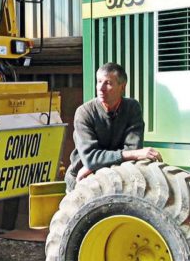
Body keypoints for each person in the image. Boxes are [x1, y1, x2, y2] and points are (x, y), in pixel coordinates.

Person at [65, 62, 162, 191]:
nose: (101, 88)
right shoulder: (84, 112)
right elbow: (91, 158)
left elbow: (133, 148)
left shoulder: (132, 108)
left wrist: (95, 165)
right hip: (82, 179)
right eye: (99, 81)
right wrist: (92, 165)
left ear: (122, 87)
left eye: (108, 83)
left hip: (116, 176)